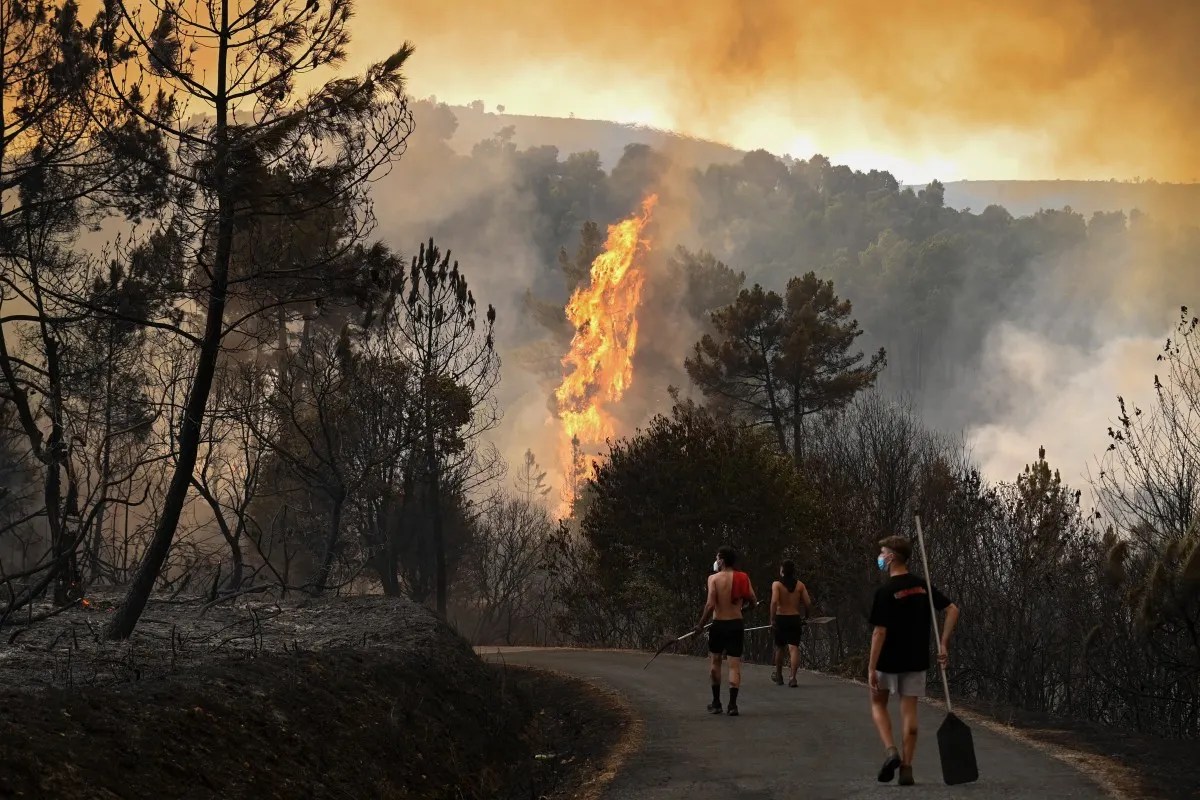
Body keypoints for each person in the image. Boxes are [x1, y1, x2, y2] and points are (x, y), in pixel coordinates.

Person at [868, 535, 960, 787]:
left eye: (883, 552)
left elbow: (879, 632)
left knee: (878, 704)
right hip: (916, 659)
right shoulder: (922, 586)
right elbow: (952, 609)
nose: (880, 557)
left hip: (887, 660)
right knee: (910, 713)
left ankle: (891, 751)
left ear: (891, 557)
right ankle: (907, 767)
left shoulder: (884, 591)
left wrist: (871, 667)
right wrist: (943, 643)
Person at [695, 545, 757, 716]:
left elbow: (710, 605)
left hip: (719, 625)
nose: (716, 561)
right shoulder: (743, 577)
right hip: (736, 624)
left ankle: (716, 703)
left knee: (715, 662)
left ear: (721, 561)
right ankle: (732, 705)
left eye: (717, 558)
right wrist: (743, 610)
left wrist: (700, 625)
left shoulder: (714, 579)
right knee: (734, 665)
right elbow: (753, 600)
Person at [770, 560, 812, 687]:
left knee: (779, 647)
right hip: (794, 619)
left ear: (782, 571)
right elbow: (808, 603)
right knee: (794, 648)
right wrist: (806, 617)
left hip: (781, 618)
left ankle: (779, 676)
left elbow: (774, 602)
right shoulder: (800, 585)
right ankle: (793, 678)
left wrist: (772, 619)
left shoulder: (776, 585)